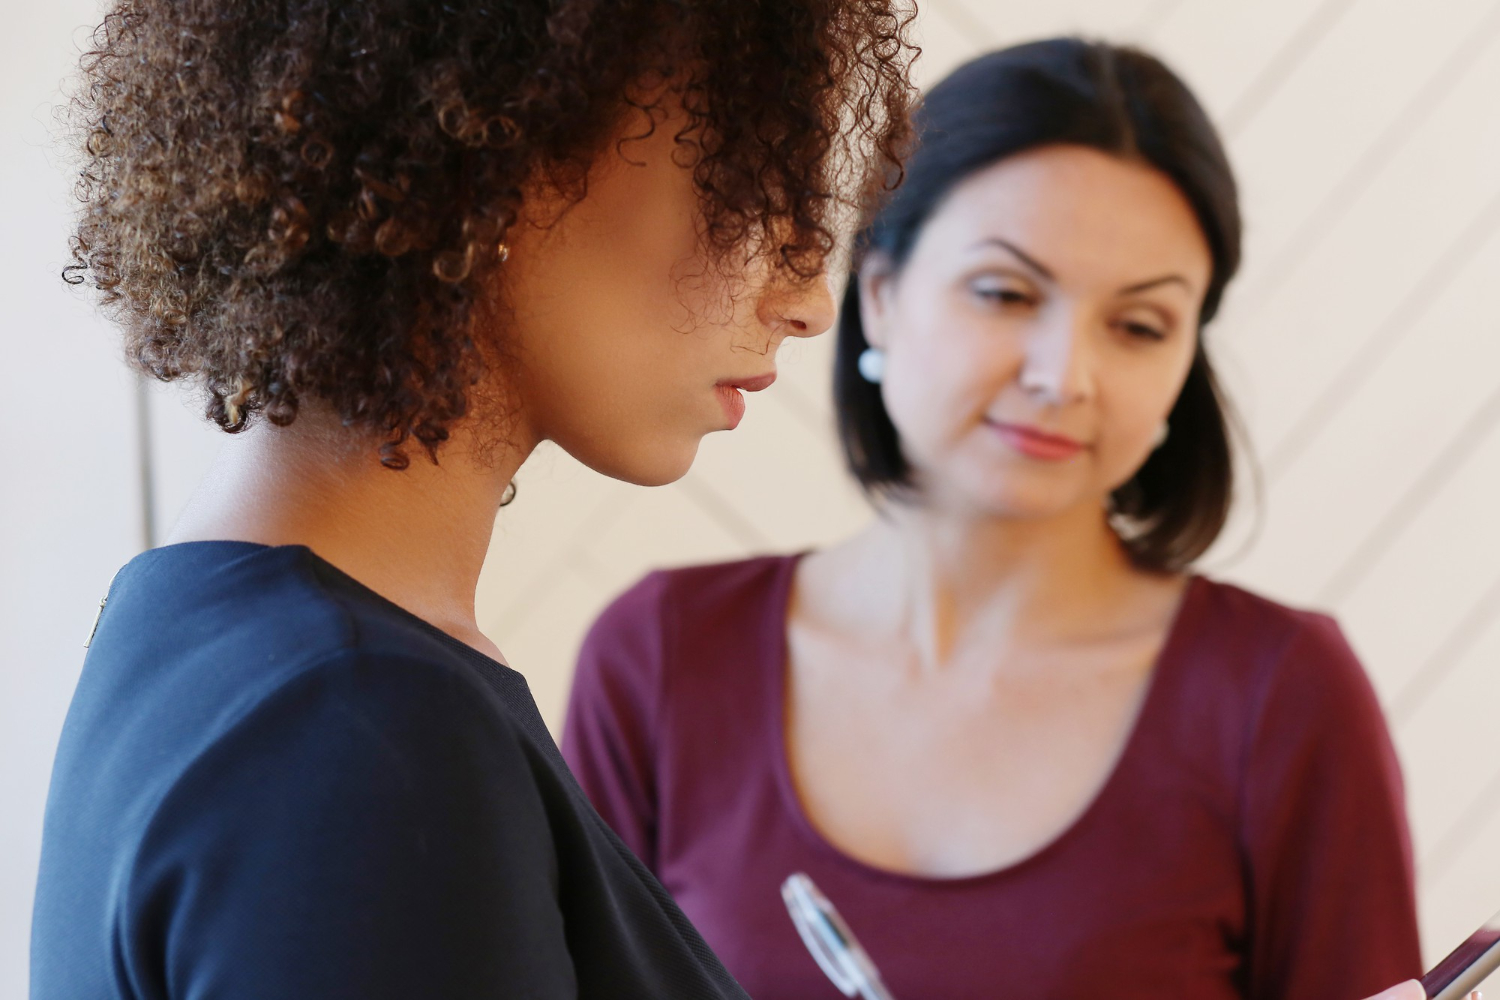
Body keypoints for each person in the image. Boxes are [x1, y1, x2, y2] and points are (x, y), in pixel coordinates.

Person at [29, 1, 915, 997]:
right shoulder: (363, 736)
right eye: (749, 189)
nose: (805, 299)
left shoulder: (213, 635)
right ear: (496, 153)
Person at [564, 39, 1428, 1000]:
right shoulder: (663, 662)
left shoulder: (1285, 700)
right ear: (881, 296)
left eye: (1139, 326)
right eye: (1005, 293)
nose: (1065, 375)